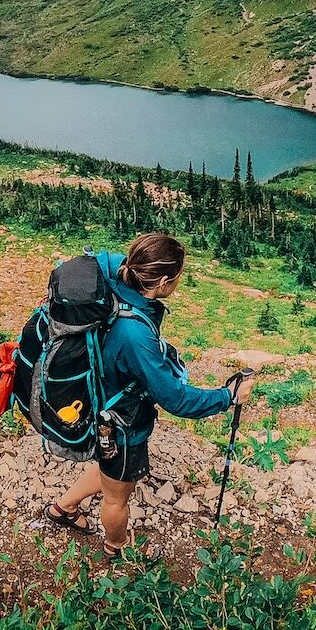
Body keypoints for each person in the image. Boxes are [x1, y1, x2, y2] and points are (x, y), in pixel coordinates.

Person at [45, 231, 252, 560]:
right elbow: (177, 400)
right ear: (166, 280)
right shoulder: (134, 334)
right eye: (178, 276)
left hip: (99, 401)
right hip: (121, 423)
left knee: (108, 468)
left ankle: (63, 507)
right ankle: (117, 548)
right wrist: (228, 396)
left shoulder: (117, 275)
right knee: (117, 496)